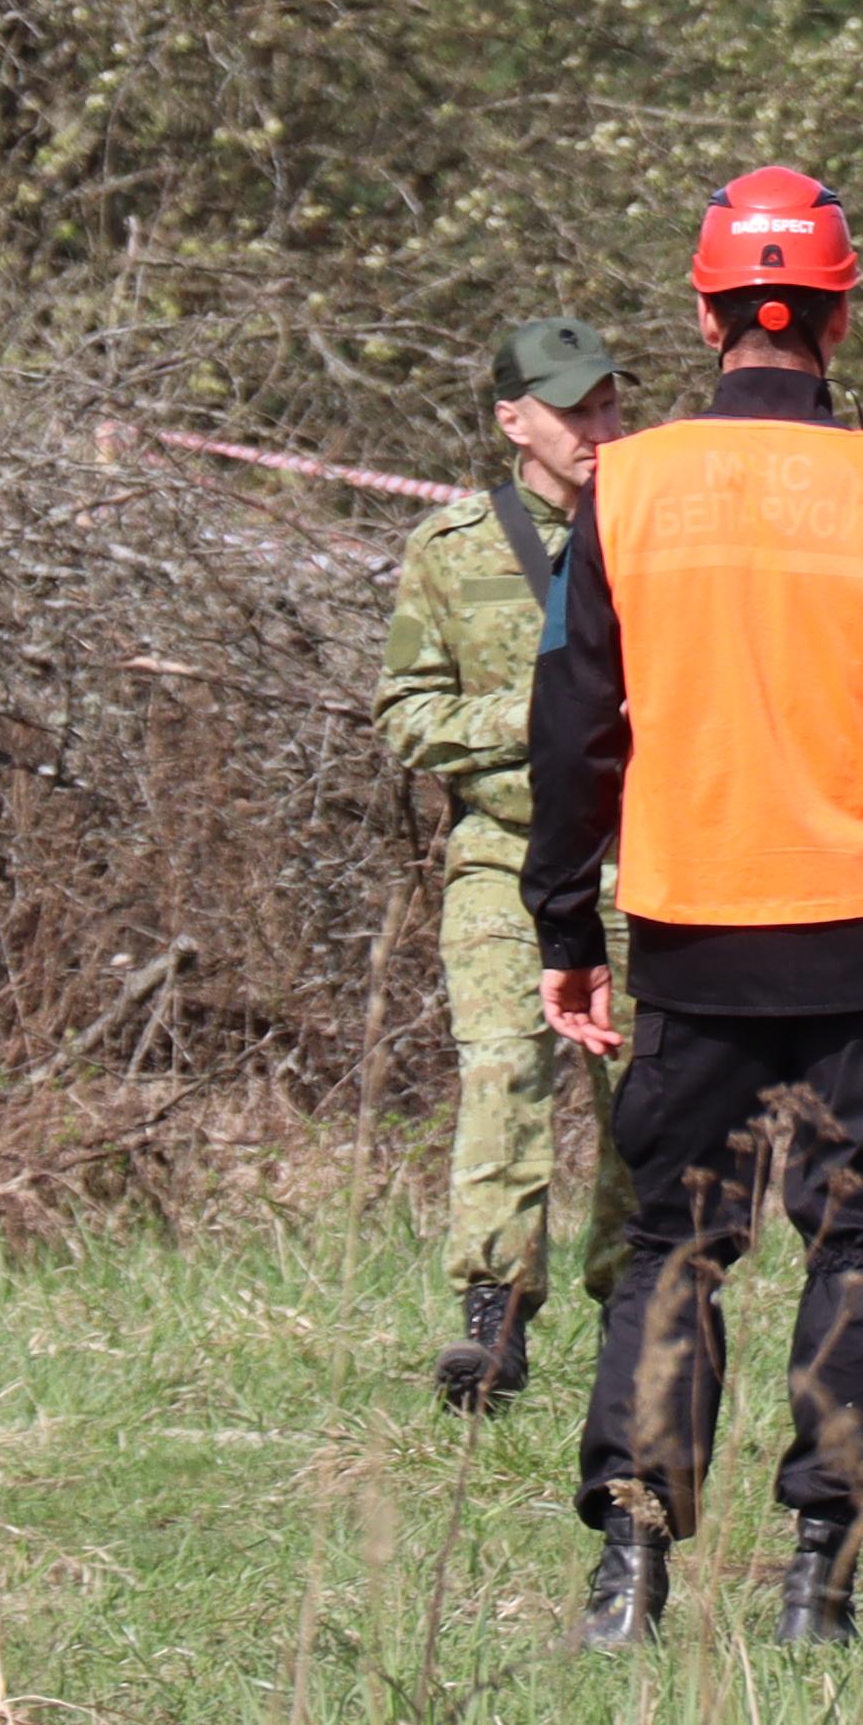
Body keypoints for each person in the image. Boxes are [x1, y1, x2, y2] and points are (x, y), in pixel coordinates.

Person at [523, 168, 863, 1651]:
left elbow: (570, 726)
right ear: (840, 314)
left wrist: (563, 926)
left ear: (704, 311)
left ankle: (632, 1569)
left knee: (674, 1251)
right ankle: (823, 1576)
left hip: (694, 933)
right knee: (854, 1252)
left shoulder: (628, 489)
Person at [375, 316, 636, 1412]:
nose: (594, 428)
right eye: (571, 409)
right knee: (502, 1074)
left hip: (647, 855)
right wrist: (534, 716)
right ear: (513, 419)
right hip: (505, 860)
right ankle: (494, 1319)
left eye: (608, 405)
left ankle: (641, 1311)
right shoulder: (453, 550)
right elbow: (407, 716)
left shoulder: (667, 532)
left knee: (648, 1097)